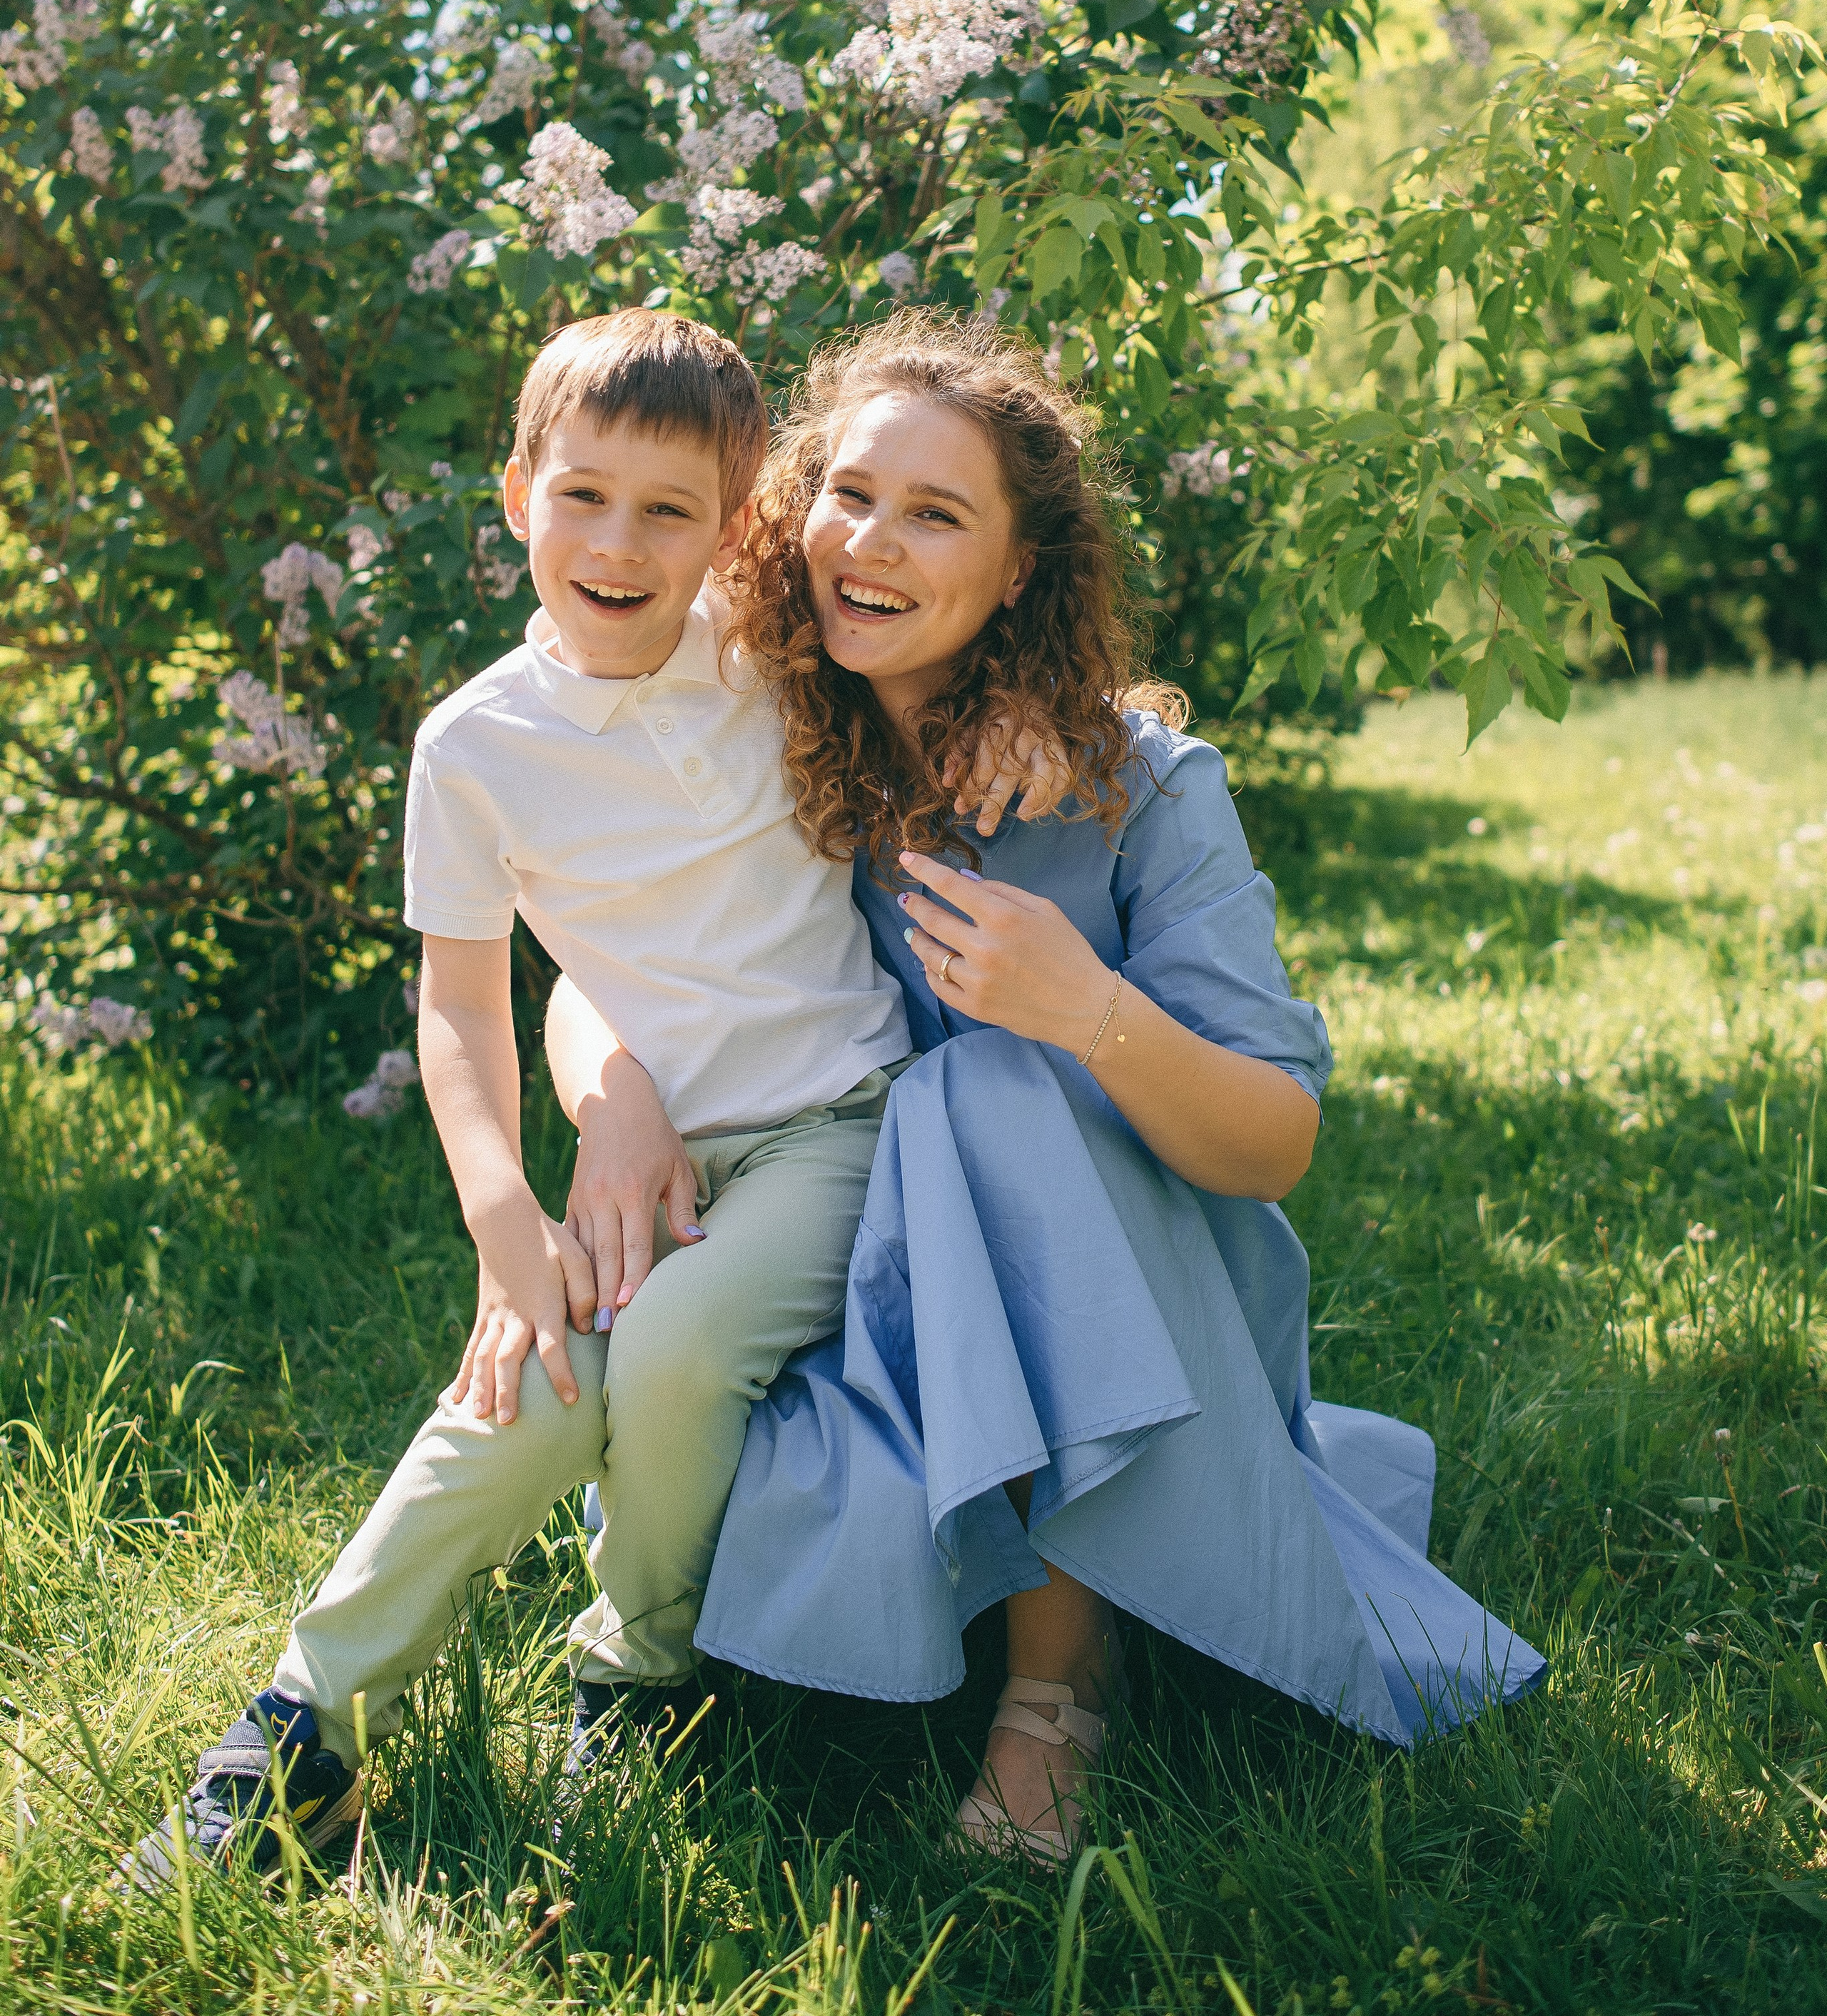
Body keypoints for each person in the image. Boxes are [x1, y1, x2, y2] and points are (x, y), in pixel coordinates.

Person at [547, 310, 1547, 1863]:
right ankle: (690, 1628)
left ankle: (1052, 1698)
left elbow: (1273, 1145)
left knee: (988, 1097)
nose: (871, 545)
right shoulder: (757, 728)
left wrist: (1085, 1011)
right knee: (712, 1311)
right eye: (850, 494)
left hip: (1132, 1295)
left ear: (1018, 575)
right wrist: (613, 1086)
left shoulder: (1139, 790)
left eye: (935, 515)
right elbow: (599, 935)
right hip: (858, 1274)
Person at [128, 308, 1056, 1886]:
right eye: (582, 496)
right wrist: (507, 1224)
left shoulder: (769, 653)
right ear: (514, 493)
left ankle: (637, 1667)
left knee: (676, 1350)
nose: (618, 545)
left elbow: (959, 659)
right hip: (659, 1161)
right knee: (529, 1382)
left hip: (842, 1126)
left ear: (737, 509)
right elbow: (460, 1010)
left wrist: (1031, 713)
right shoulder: (473, 747)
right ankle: (301, 1727)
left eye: (668, 509)